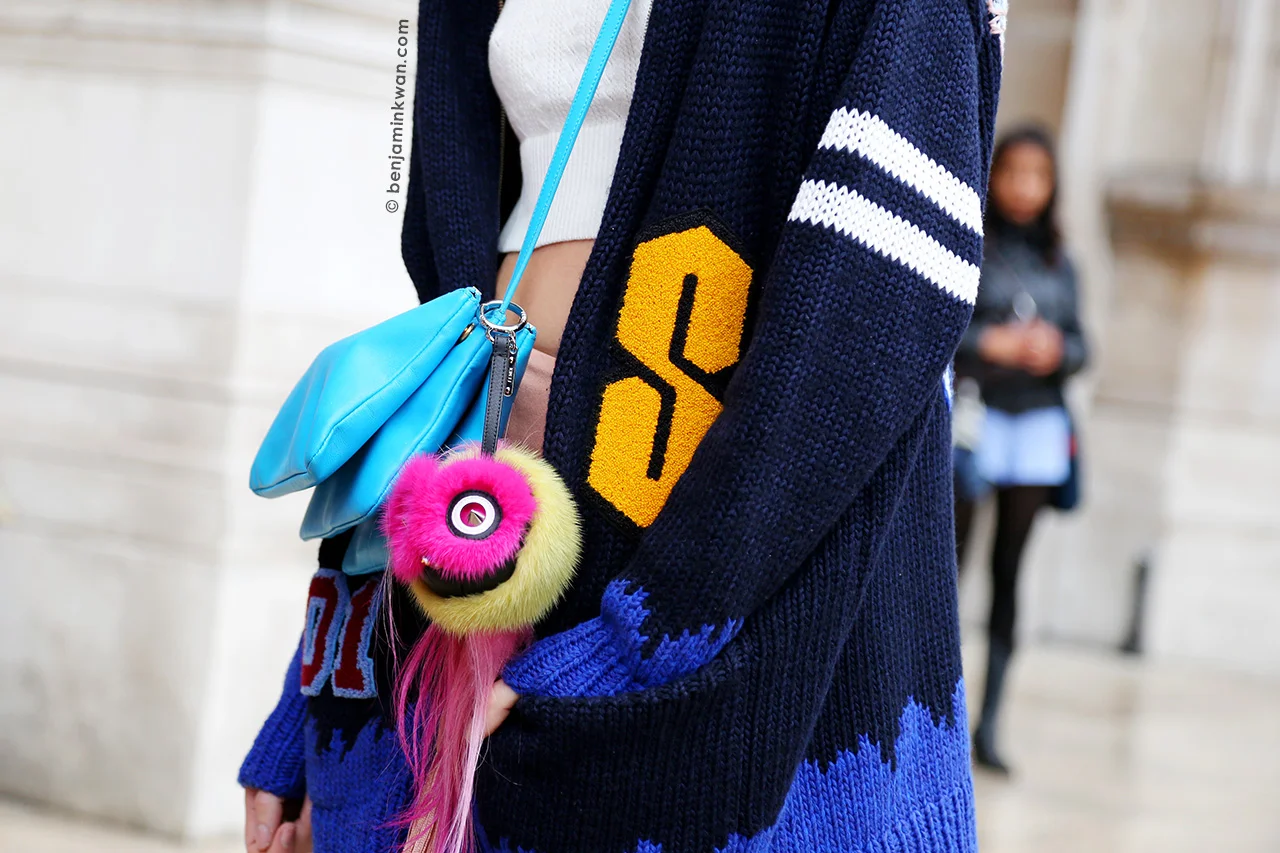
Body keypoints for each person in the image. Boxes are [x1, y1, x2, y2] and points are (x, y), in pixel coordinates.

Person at [240, 0, 1004, 851]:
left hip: (718, 587)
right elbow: (432, 339)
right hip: (481, 515)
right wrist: (325, 683)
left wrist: (649, 635)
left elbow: (868, 321)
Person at [953, 126, 1088, 776]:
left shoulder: (1063, 262)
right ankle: (936, 715)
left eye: (1039, 174)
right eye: (1014, 172)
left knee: (1009, 573)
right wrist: (992, 345)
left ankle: (990, 723)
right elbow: (950, 328)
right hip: (977, 419)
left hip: (1036, 426)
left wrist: (1057, 351)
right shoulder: (973, 242)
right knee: (950, 568)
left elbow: (1083, 345)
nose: (1025, 187)